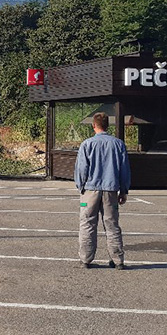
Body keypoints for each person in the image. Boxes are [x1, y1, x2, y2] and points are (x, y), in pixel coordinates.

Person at [74, 112, 131, 270]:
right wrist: (124, 190)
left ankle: (85, 259)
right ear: (108, 125)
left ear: (94, 125)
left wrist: (81, 186)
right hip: (110, 189)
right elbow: (124, 169)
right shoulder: (118, 144)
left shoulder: (87, 144)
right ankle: (118, 260)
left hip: (90, 190)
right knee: (112, 224)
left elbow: (81, 169)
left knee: (87, 224)